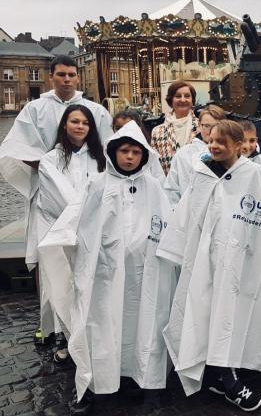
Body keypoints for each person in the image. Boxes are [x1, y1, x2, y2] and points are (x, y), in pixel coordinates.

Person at [158, 120, 261, 412]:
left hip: (239, 263)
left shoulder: (254, 175)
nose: (215, 146)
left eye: (222, 142)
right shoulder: (202, 175)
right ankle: (216, 373)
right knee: (205, 314)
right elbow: (188, 215)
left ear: (239, 146)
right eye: (211, 141)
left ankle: (228, 376)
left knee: (230, 317)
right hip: (204, 263)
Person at [39, 121, 175, 415]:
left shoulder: (153, 186)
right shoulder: (97, 184)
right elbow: (75, 220)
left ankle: (148, 383)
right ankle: (102, 385)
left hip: (144, 275)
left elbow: (168, 226)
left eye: (136, 152)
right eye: (124, 150)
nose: (129, 157)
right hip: (105, 275)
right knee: (103, 327)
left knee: (145, 325)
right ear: (114, 152)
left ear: (144, 155)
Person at [0, 55, 112, 344]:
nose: (66, 79)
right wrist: (51, 169)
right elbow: (15, 146)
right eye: (61, 74)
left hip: (86, 194)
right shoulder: (35, 109)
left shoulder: (95, 110)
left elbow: (108, 149)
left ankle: (88, 319)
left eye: (71, 74)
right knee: (48, 258)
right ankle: (50, 323)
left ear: (78, 77)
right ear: (51, 76)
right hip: (48, 195)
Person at [36, 104, 107, 364]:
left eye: (85, 123)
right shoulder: (50, 160)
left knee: (91, 285)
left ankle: (91, 337)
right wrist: (83, 212)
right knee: (64, 286)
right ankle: (66, 337)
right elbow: (60, 195)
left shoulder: (99, 158)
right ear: (64, 125)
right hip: (61, 230)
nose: (80, 127)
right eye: (74, 121)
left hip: (93, 231)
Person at [163, 105, 225, 206]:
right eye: (207, 126)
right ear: (199, 126)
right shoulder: (184, 154)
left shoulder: (230, 155)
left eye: (216, 126)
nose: (211, 131)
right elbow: (172, 190)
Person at [150, 80, 199, 174]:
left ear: (192, 100)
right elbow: (155, 168)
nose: (183, 100)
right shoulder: (157, 132)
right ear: (170, 100)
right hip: (168, 186)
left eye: (187, 96)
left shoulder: (202, 128)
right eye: (178, 96)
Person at [112, 109, 165, 182]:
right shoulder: (108, 152)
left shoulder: (148, 153)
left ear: (138, 128)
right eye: (118, 128)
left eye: (128, 127)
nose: (122, 131)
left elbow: (159, 179)